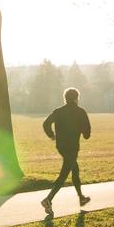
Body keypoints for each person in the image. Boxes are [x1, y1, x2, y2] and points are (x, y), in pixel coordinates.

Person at [42, 87, 92, 216]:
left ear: (65, 98)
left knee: (75, 170)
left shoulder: (58, 111)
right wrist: (82, 129)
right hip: (72, 147)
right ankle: (48, 199)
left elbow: (46, 124)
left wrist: (52, 135)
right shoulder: (81, 112)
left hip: (61, 147)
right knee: (64, 174)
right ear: (76, 98)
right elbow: (87, 134)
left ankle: (81, 197)